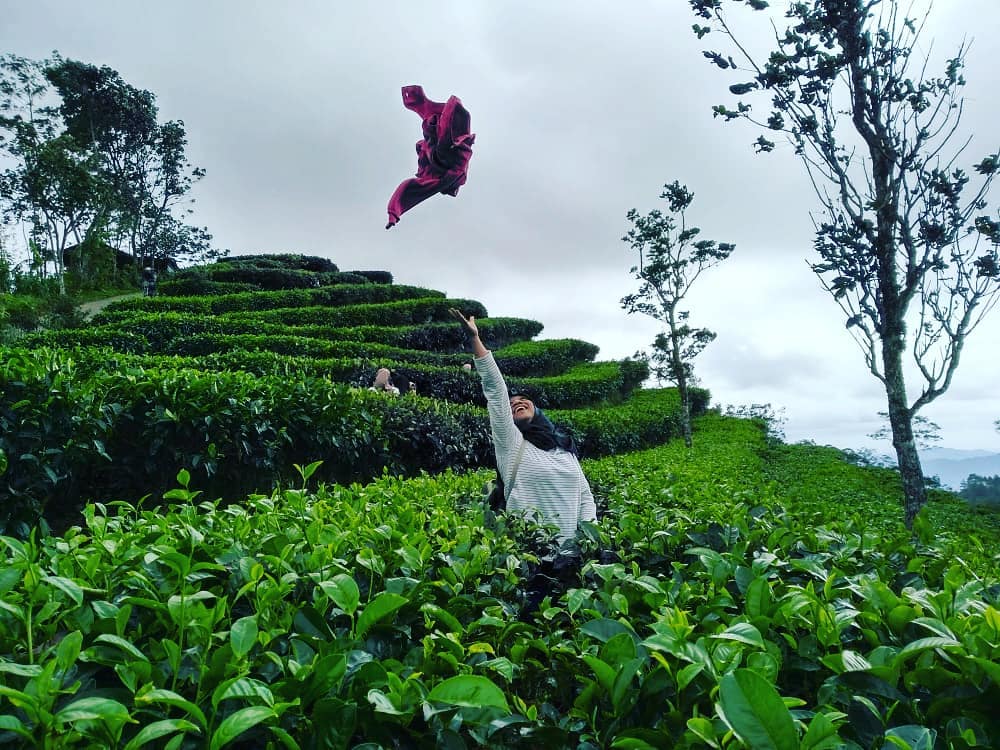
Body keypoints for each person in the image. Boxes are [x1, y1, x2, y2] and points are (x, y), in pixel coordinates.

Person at [449, 308, 596, 543]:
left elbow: (585, 496)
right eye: (512, 404)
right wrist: (475, 339)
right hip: (530, 556)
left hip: (571, 559)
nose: (517, 403)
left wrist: (588, 541)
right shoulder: (511, 443)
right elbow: (496, 392)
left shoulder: (564, 447)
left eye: (523, 400)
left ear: (536, 409)